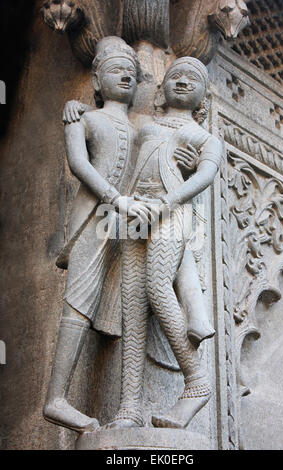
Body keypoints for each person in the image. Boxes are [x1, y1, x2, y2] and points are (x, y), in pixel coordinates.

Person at [106, 56, 222, 429]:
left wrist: (165, 204)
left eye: (193, 79)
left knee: (158, 286)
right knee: (133, 303)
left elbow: (204, 177)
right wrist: (79, 108)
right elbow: (115, 132)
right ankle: (129, 405)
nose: (183, 82)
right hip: (135, 213)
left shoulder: (205, 139)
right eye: (175, 76)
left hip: (170, 212)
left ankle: (197, 380)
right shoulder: (145, 125)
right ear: (161, 88)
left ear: (204, 96)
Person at [43, 36, 151, 434]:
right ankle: (56, 398)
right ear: (95, 78)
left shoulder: (141, 127)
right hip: (98, 217)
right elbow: (78, 164)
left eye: (131, 72)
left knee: (135, 301)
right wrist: (115, 198)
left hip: (130, 224)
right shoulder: (84, 118)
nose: (125, 76)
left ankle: (132, 405)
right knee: (78, 301)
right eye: (115, 70)